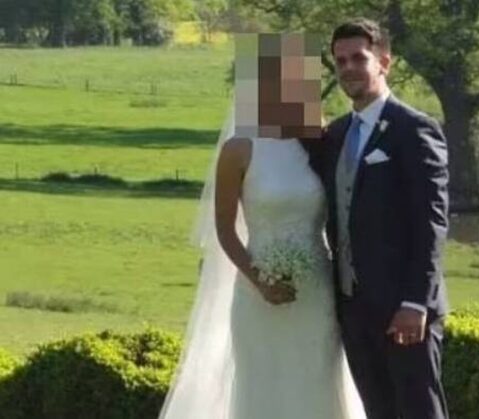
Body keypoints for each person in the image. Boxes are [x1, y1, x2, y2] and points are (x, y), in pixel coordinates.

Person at [158, 32, 364, 419]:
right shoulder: (240, 148)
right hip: (256, 291)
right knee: (263, 386)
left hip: (316, 290)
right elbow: (224, 230)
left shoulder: (319, 141)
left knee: (317, 381)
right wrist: (259, 279)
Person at [319, 18, 450, 419]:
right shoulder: (335, 134)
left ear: (384, 62)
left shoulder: (415, 129)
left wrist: (415, 302)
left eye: (358, 58)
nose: (348, 68)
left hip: (403, 309)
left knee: (418, 412)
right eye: (340, 61)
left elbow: (431, 224)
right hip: (352, 309)